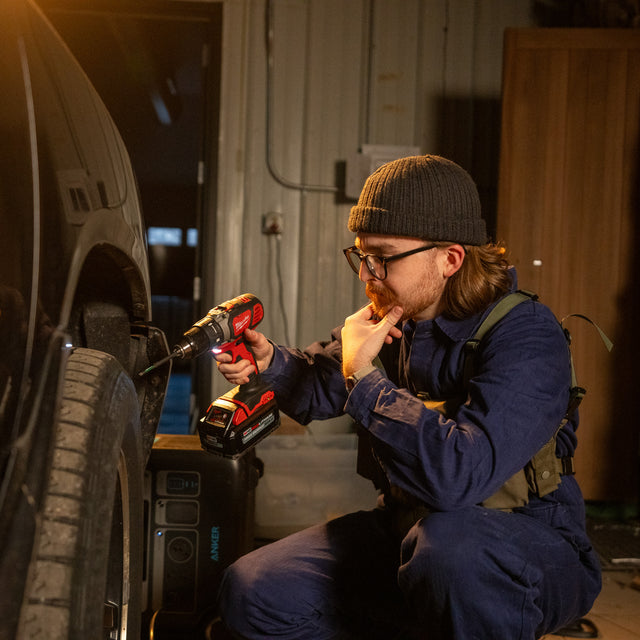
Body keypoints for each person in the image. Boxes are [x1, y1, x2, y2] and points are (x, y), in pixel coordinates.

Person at [213, 155, 601, 639]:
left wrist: (363, 375)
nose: (366, 274)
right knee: (253, 591)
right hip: (408, 532)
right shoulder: (397, 316)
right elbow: (318, 388)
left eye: (383, 256)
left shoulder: (526, 337)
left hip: (526, 542)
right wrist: (270, 362)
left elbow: (459, 478)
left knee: (449, 552)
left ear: (450, 259)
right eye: (360, 255)